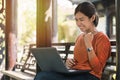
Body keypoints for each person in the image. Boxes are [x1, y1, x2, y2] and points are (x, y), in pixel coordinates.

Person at [34, 1, 111, 80]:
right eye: (76, 20)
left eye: (81, 19)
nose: (78, 23)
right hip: (76, 73)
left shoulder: (102, 38)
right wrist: (69, 63)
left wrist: (89, 45)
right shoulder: (80, 37)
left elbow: (97, 69)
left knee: (43, 77)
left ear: (92, 18)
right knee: (42, 75)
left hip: (90, 76)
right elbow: (79, 61)